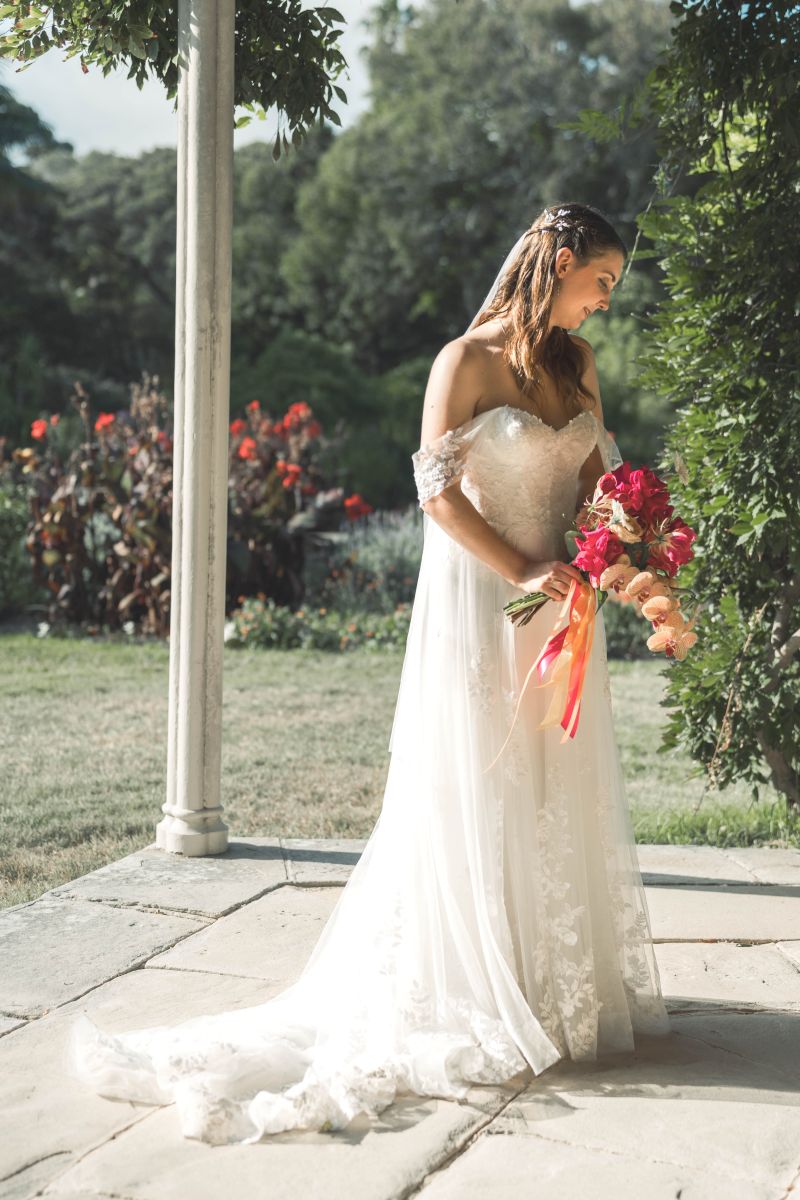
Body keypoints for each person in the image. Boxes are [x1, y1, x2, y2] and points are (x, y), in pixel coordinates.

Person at [66, 201, 671, 1146]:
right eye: (601, 281)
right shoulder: (460, 364)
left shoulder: (576, 366)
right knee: (483, 781)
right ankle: (471, 984)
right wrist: (518, 569)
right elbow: (432, 490)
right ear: (557, 260)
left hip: (564, 613)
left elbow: (599, 481)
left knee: (556, 788)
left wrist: (625, 545)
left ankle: (551, 989)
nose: (604, 303)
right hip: (484, 605)